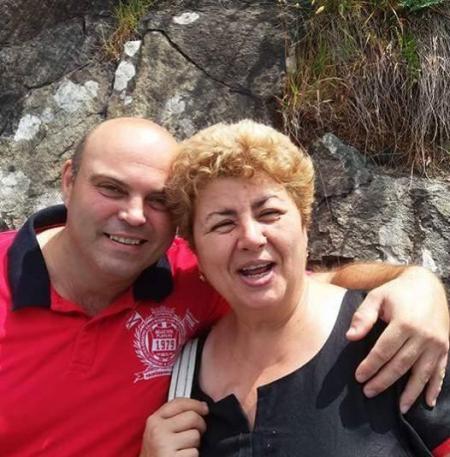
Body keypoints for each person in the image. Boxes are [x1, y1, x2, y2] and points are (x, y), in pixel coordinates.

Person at [0, 117, 448, 457]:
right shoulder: (201, 320)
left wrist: (418, 283)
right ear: (68, 181)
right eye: (111, 189)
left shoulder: (388, 339)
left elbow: (302, 284)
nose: (134, 215)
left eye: (157, 200)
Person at [141, 120, 450, 456]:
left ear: (304, 226)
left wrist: (422, 281)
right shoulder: (183, 375)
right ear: (197, 253)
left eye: (269, 213)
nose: (251, 237)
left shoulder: (395, 336)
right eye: (223, 223)